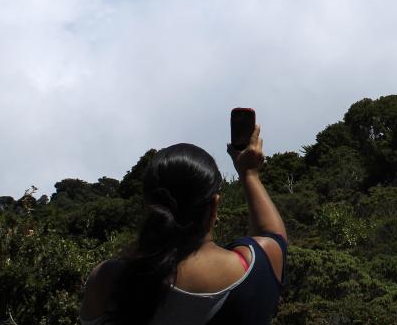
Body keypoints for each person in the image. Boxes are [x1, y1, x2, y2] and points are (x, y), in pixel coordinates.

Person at [80, 123, 287, 325]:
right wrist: (249, 173)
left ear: (149, 206)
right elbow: (272, 234)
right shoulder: (258, 264)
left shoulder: (108, 280)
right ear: (214, 206)